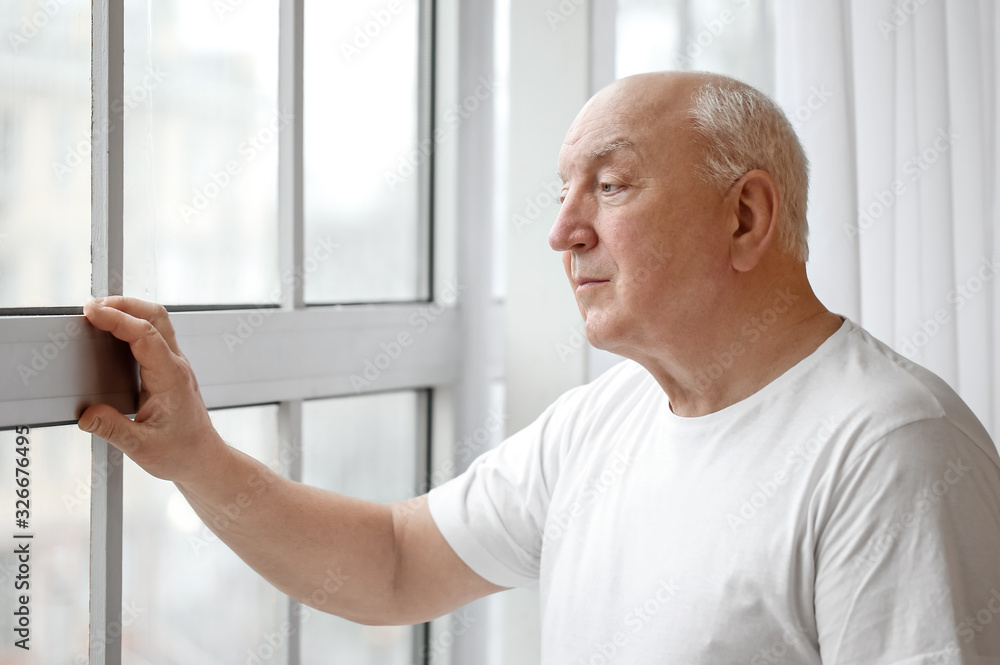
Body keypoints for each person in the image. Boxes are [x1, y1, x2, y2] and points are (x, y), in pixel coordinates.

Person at [78, 71, 1000, 662]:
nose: (564, 231)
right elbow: (394, 564)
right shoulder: (604, 422)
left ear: (745, 218)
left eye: (610, 184)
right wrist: (193, 452)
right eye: (563, 192)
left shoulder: (891, 453)